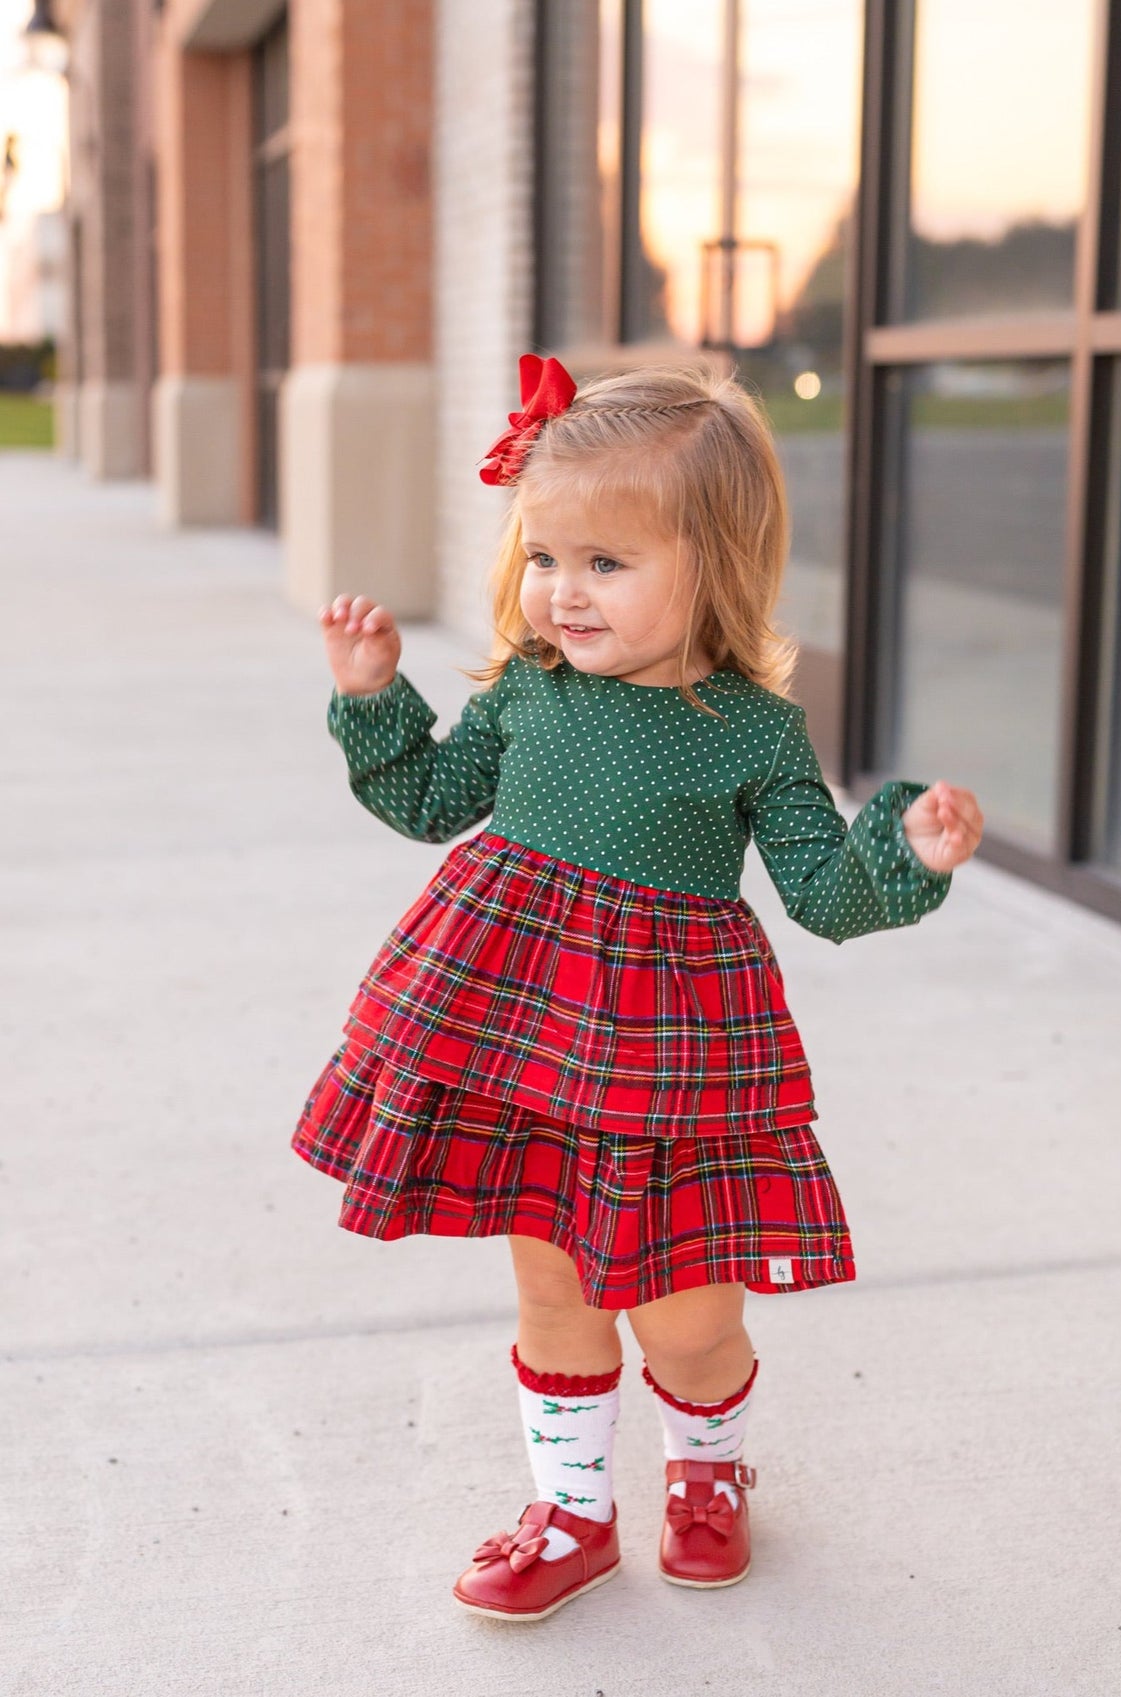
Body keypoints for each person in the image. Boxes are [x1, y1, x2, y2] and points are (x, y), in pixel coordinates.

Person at [291, 353, 984, 1622]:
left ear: (713, 563)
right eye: (547, 556)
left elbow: (824, 891)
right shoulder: (528, 693)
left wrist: (908, 853)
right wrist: (371, 695)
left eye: (607, 563)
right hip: (518, 1038)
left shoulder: (754, 732)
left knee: (683, 1312)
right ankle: (571, 1508)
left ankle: (707, 1472)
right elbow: (428, 800)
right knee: (552, 1281)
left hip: (673, 1066)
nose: (563, 591)